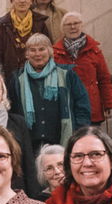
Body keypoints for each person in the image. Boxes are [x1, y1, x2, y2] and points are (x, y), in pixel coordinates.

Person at [12, 33, 91, 162]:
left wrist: (78, 135)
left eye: (42, 49)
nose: (37, 54)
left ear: (50, 51)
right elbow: (13, 112)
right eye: (32, 50)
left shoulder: (67, 75)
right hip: (30, 146)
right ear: (27, 54)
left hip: (63, 141)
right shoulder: (17, 79)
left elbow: (82, 107)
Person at [53, 12, 112, 124]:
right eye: (68, 24)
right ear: (63, 28)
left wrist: (109, 104)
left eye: (76, 23)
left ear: (81, 25)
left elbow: (105, 80)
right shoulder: (55, 52)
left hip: (91, 108)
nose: (73, 27)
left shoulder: (94, 50)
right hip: (66, 109)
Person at [0, 0, 48, 74]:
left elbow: (49, 51)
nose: (22, 1)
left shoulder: (40, 24)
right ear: (12, 1)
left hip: (36, 76)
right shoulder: (2, 26)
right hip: (11, 78)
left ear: (31, 1)